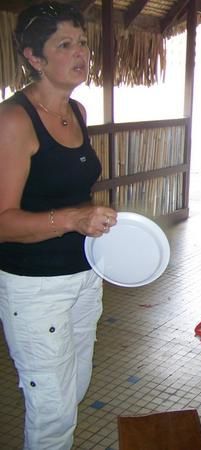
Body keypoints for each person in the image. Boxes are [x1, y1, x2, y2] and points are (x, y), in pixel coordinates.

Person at [0, 2, 117, 448]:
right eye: (64, 45)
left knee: (74, 390)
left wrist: (91, 217)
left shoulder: (78, 112)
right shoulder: (13, 121)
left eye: (82, 42)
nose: (80, 53)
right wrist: (72, 218)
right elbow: (3, 222)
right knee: (51, 413)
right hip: (34, 287)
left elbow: (70, 195)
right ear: (34, 57)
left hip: (85, 275)